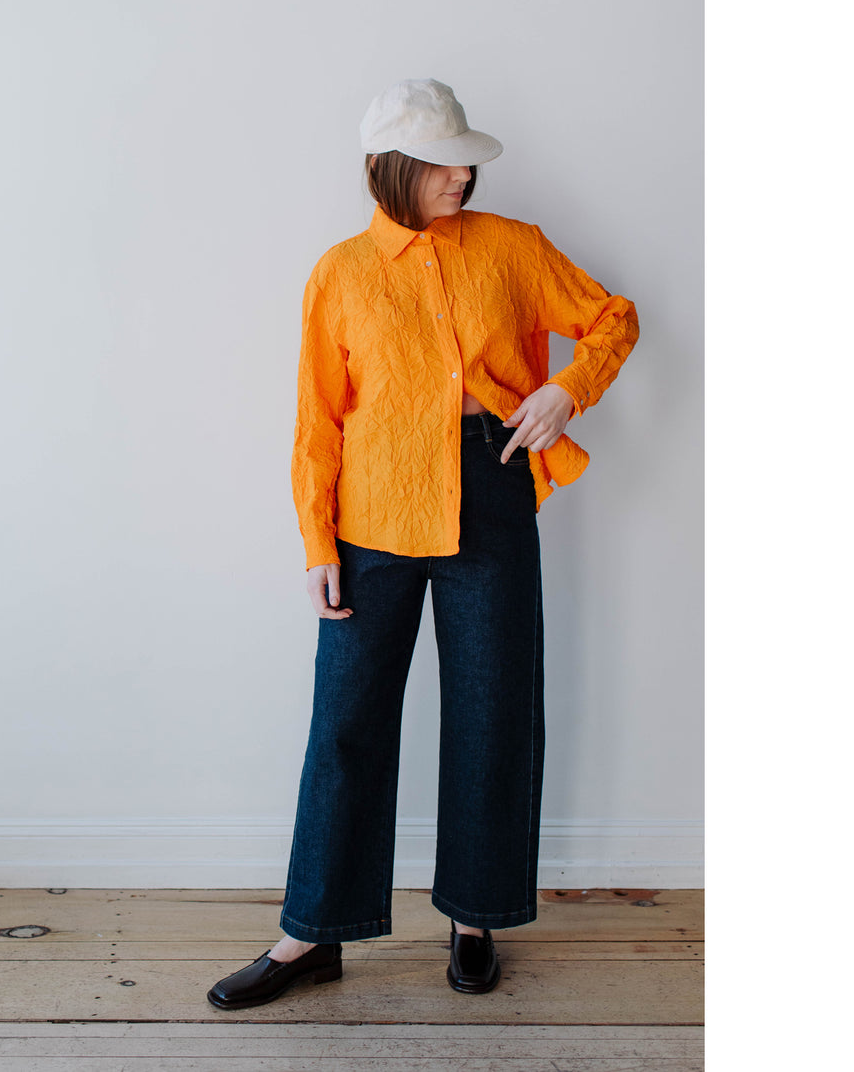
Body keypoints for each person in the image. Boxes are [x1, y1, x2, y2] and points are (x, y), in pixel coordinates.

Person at [207, 78, 639, 1011]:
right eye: (444, 163)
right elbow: (317, 422)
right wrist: (316, 542)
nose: (462, 176)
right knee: (347, 720)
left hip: (491, 489)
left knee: (493, 711)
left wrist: (567, 391)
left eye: (466, 161)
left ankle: (475, 918)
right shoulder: (340, 273)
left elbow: (614, 317)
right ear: (389, 168)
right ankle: (310, 933)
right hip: (371, 514)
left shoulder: (514, 248)